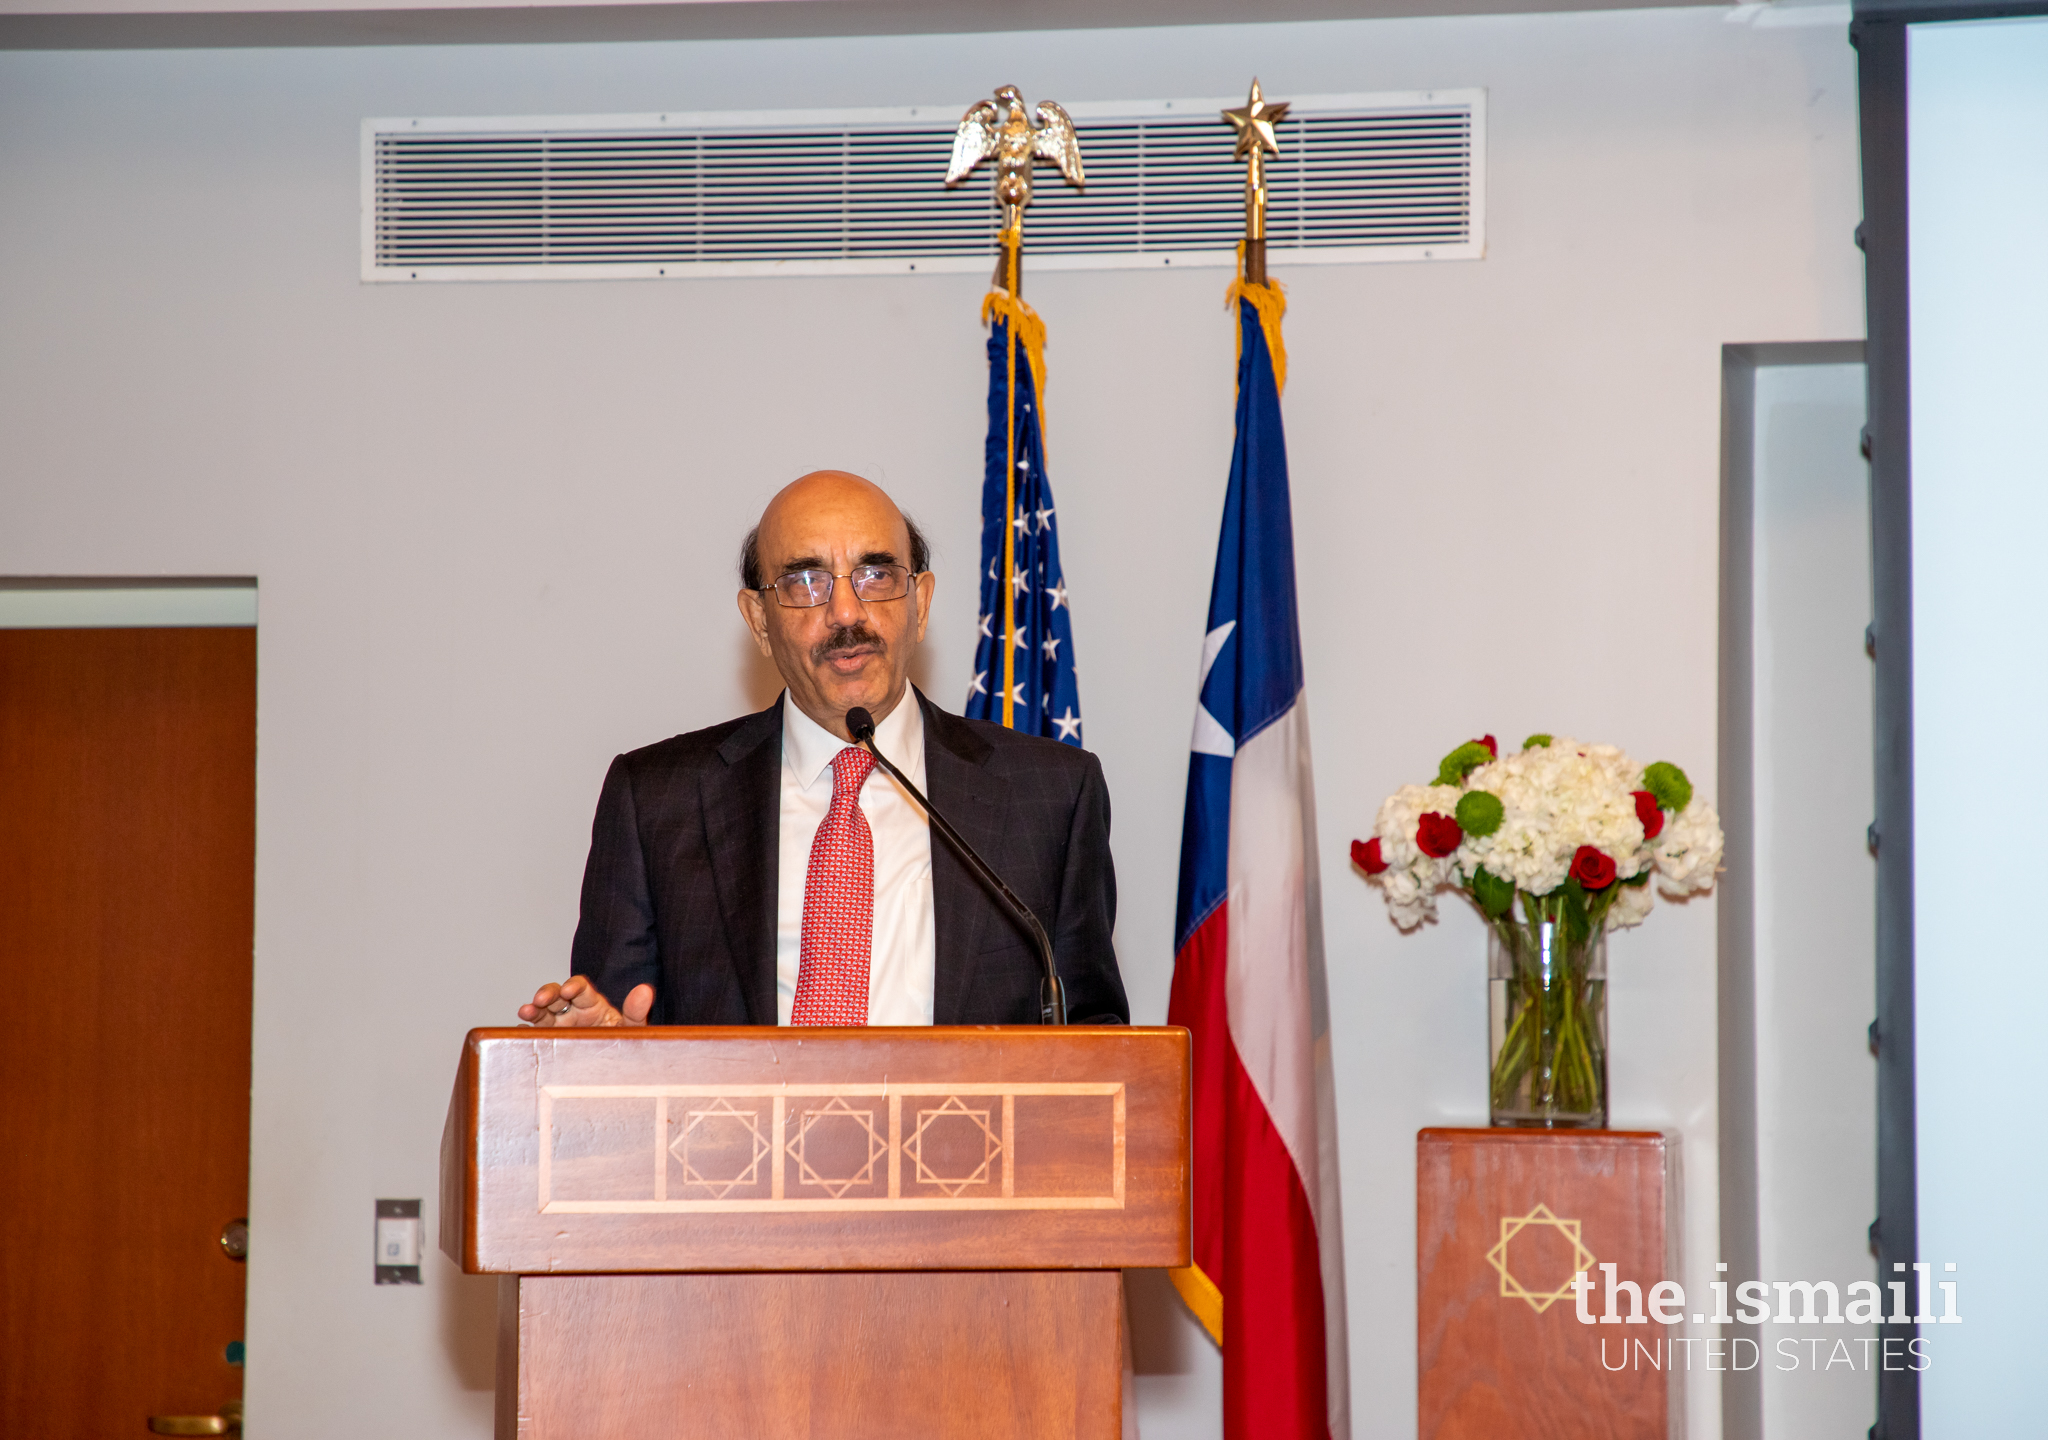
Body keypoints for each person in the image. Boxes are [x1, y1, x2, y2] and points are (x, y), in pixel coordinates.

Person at [518, 470, 1127, 1029]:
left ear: (920, 605)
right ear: (759, 620)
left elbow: (1097, 1049)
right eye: (806, 581)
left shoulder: (1049, 796)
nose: (845, 612)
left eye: (877, 575)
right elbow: (612, 1035)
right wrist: (601, 1054)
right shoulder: (655, 800)